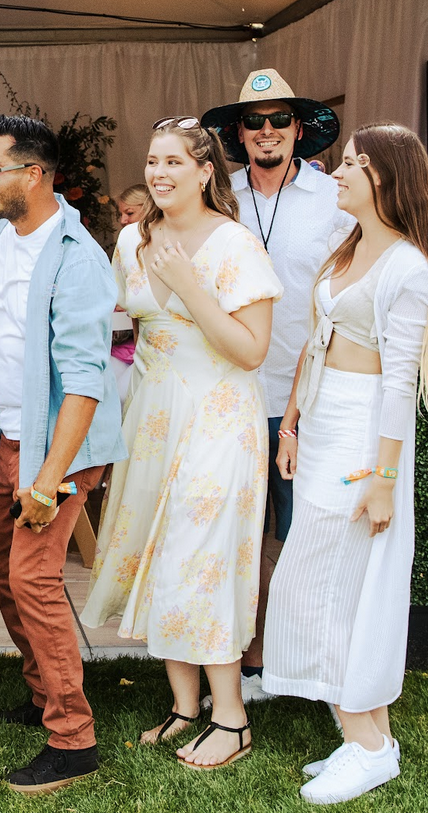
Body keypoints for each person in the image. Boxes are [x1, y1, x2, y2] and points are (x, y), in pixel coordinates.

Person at [263, 123, 428, 804]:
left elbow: (398, 384)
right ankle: (370, 740)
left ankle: (365, 745)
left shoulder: (407, 268)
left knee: (332, 588)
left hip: (364, 438)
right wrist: (292, 424)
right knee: (326, 584)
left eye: (352, 164)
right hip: (323, 422)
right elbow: (314, 341)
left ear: (384, 177)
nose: (336, 173)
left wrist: (385, 481)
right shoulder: (350, 246)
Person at [83, 116, 282, 769]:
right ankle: (185, 706)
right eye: (153, 161)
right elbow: (132, 326)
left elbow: (251, 351)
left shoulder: (235, 244)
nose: (159, 172)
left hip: (220, 417)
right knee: (163, 551)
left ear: (205, 171)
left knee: (204, 557)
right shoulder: (133, 239)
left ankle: (233, 718)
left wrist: (193, 288)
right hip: (154, 418)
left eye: (174, 161)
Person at [0, 114, 126, 793]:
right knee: (1, 569)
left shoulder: (78, 260)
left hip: (59, 448)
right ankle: (42, 693)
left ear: (33, 175)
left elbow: (85, 382)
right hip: (12, 434)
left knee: (33, 578)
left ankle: (73, 739)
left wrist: (46, 481)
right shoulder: (5, 235)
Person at [200, 69, 354, 703]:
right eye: (254, 121)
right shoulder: (219, 198)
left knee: (295, 533)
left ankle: (291, 657)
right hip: (227, 391)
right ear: (238, 133)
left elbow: (347, 295)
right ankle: (240, 657)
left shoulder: (333, 200)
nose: (267, 131)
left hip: (301, 395)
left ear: (299, 129)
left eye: (279, 119)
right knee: (230, 533)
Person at [110, 185, 148, 405]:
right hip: (121, 347)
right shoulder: (123, 246)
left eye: (130, 213)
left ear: (148, 208)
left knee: (124, 395)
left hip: (151, 348)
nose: (123, 220)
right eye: (121, 214)